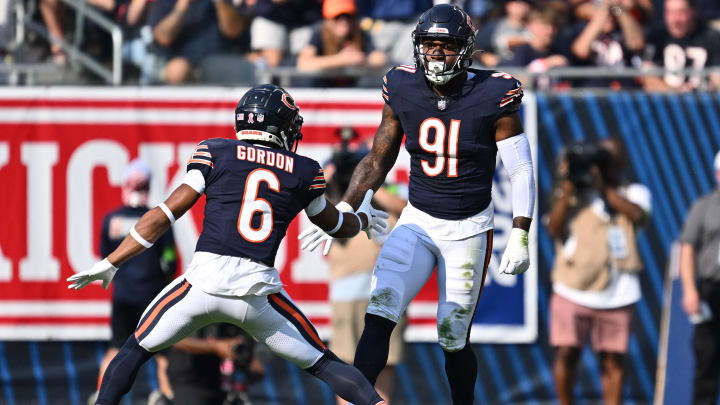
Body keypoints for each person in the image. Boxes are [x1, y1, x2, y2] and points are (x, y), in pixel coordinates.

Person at [67, 84, 389, 405]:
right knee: (326, 364)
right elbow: (334, 224)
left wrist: (112, 262)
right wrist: (362, 220)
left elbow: (164, 215)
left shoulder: (216, 152)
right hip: (258, 296)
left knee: (133, 351)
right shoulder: (304, 171)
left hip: (201, 287)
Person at [299, 5, 536, 404]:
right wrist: (346, 206)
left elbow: (521, 171)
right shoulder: (402, 85)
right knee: (377, 317)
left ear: (466, 49)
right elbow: (378, 157)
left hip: (468, 229)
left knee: (452, 336)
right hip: (418, 220)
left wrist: (520, 231)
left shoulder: (495, 93)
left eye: (446, 46)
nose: (436, 54)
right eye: (429, 45)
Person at [545, 138, 651, 405]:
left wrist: (605, 189)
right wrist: (569, 188)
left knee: (613, 358)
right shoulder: (572, 192)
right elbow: (553, 228)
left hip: (618, 291)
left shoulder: (633, 191)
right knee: (566, 352)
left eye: (610, 158)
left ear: (622, 161)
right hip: (572, 286)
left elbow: (639, 216)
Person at [322, 137, 407, 404]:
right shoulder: (333, 199)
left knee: (384, 366)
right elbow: (311, 199)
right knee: (346, 368)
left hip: (385, 293)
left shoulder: (386, 193)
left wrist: (368, 185)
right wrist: (336, 178)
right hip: (347, 294)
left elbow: (406, 209)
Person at [89, 159, 177, 404]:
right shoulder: (157, 220)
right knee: (161, 352)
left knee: (116, 348)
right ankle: (166, 395)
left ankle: (101, 395)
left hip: (124, 295)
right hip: (152, 295)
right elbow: (170, 258)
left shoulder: (111, 221)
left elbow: (106, 258)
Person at [678, 151, 720, 405]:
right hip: (712, 290)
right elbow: (687, 249)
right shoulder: (704, 207)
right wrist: (689, 290)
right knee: (707, 361)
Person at [147, 0, 247, 84]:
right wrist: (182, 6)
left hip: (218, 58)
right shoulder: (167, 2)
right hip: (182, 61)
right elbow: (162, 38)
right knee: (177, 69)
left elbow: (234, 31)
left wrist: (219, 2)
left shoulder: (223, 2)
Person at [296, 0, 387, 85]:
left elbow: (380, 59)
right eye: (337, 17)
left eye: (348, 17)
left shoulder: (359, 32)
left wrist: (362, 60)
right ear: (328, 20)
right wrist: (340, 60)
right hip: (325, 89)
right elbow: (303, 64)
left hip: (353, 88)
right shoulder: (320, 33)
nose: (344, 22)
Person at [643, 0, 720, 91]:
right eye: (670, 12)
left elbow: (717, 79)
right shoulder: (657, 37)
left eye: (681, 12)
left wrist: (701, 91)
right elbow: (647, 78)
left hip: (703, 102)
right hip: (664, 102)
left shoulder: (711, 37)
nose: (675, 20)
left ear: (693, 12)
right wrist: (677, 93)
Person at [568, 0, 645, 88]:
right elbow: (581, 51)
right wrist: (602, 13)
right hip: (592, 92)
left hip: (623, 91)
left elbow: (636, 43)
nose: (609, 17)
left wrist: (617, 9)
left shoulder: (621, 30)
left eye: (611, 14)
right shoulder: (581, 29)